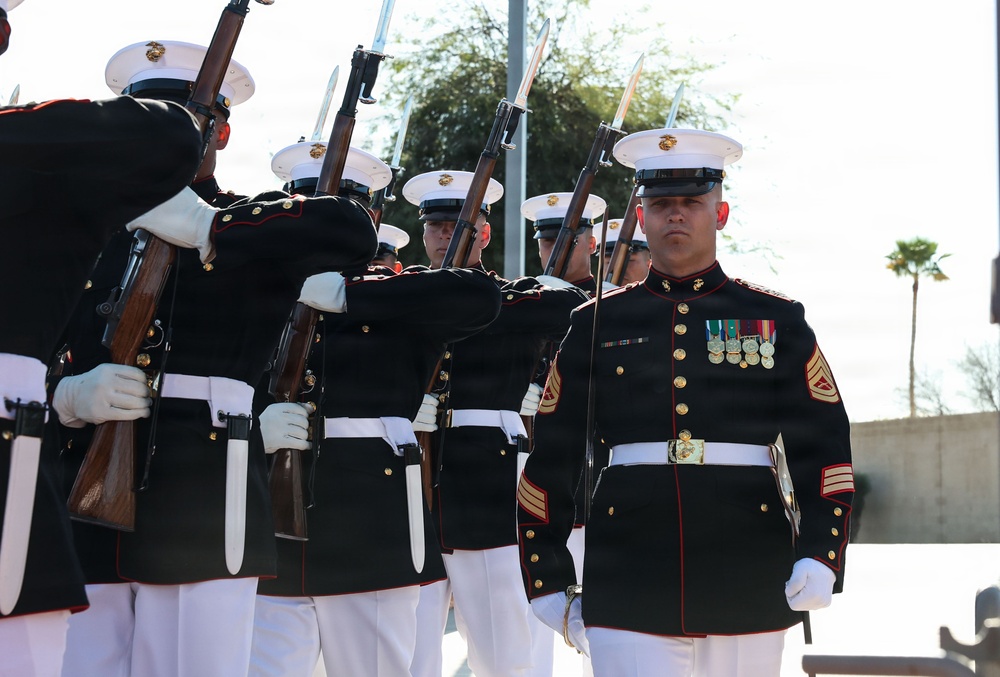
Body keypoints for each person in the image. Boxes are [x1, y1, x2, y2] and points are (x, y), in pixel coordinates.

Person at [53, 41, 378, 677]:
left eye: (185, 120)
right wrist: (65, 394)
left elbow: (350, 231)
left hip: (202, 502)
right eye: (146, 115)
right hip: (84, 494)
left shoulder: (246, 225)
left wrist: (209, 230)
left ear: (222, 132)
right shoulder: (87, 228)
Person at [517, 127, 854, 677]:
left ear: (719, 213)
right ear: (641, 217)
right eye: (661, 204)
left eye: (692, 203)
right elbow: (549, 461)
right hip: (628, 572)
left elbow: (826, 449)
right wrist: (547, 579)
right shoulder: (596, 322)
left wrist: (822, 550)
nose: (676, 215)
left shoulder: (776, 319)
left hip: (746, 567)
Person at [0, 20, 206, 677]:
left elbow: (164, 136)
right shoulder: (61, 190)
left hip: (185, 496)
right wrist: (67, 394)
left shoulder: (235, 230)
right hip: (77, 482)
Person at [250, 143, 502, 677]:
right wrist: (255, 422)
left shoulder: (397, 294)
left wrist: (349, 296)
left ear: (372, 217)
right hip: (272, 513)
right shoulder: (259, 289)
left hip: (369, 521)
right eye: (308, 204)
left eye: (343, 207)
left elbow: (479, 298)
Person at [402, 171, 589, 677]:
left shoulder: (513, 296)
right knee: (413, 643)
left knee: (502, 640)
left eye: (458, 224)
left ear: (484, 233)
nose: (446, 234)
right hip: (410, 477)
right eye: (436, 226)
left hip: (486, 478)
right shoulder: (405, 296)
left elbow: (571, 307)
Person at [595, 216, 651, 286]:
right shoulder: (590, 296)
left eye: (629, 261)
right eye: (609, 262)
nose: (617, 268)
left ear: (649, 265)